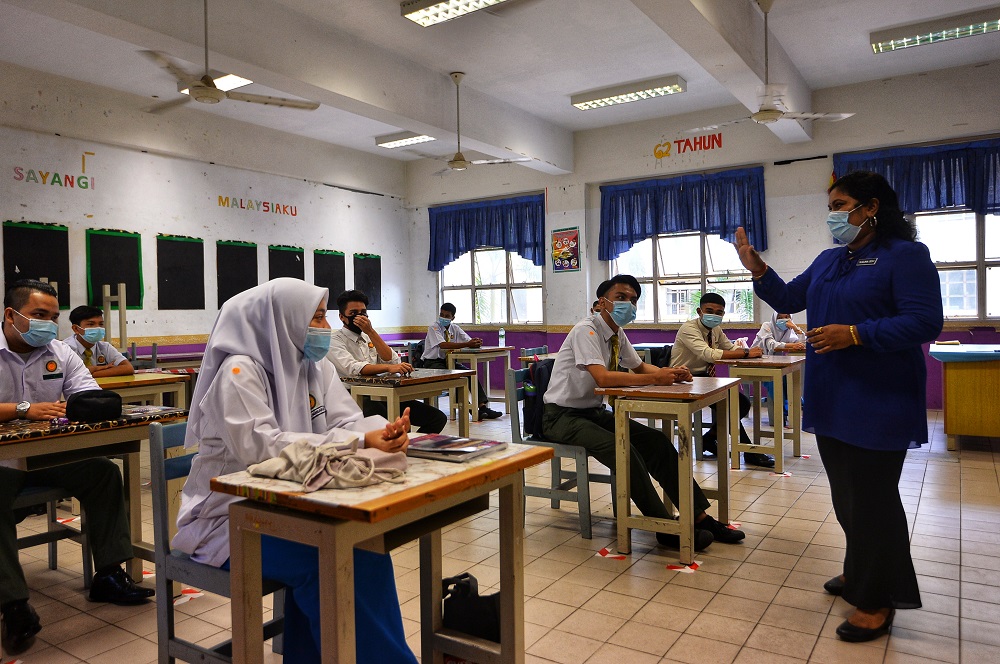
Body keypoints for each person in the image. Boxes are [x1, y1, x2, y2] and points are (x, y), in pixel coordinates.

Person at [734, 170, 943, 643]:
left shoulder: (904, 256)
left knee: (873, 501)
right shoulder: (831, 260)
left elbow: (925, 321)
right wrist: (758, 268)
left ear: (870, 208)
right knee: (847, 498)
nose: (833, 214)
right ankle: (857, 570)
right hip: (832, 397)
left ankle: (877, 599)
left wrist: (855, 334)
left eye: (840, 204)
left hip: (878, 398)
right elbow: (790, 298)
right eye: (830, 206)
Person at [172, 278, 416, 663]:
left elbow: (345, 421)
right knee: (336, 558)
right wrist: (357, 443)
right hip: (228, 519)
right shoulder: (239, 372)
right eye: (315, 318)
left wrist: (381, 433)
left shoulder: (314, 366)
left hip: (293, 505)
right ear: (279, 320)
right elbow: (261, 449)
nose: (324, 328)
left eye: (323, 318)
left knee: (363, 544)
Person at [0, 280, 153, 655]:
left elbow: (87, 396)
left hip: (50, 456)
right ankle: (14, 604)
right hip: (3, 461)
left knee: (103, 471)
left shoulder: (59, 352)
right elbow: (37, 408)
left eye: (53, 318)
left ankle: (109, 574)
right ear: (10, 315)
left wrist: (85, 405)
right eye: (38, 316)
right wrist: (24, 409)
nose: (48, 325)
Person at [541, 275, 745, 551]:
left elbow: (639, 368)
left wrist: (670, 374)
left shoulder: (616, 333)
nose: (628, 304)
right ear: (603, 302)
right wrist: (657, 378)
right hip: (561, 417)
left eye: (633, 299)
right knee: (622, 449)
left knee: (657, 442)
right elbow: (603, 377)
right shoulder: (586, 331)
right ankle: (662, 525)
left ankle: (699, 517)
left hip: (592, 413)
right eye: (621, 297)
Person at [670, 293, 775, 468]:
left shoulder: (716, 330)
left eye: (719, 312)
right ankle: (748, 452)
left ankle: (709, 439)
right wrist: (746, 353)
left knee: (740, 403)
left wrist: (749, 352)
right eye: (709, 311)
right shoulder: (689, 328)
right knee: (730, 404)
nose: (714, 315)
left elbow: (731, 347)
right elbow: (710, 355)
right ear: (699, 311)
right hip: (682, 379)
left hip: (702, 378)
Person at [327, 289, 447, 433]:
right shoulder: (334, 340)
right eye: (353, 313)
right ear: (342, 317)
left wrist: (371, 332)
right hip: (355, 396)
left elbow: (392, 360)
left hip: (382, 392)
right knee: (393, 424)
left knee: (437, 418)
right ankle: (398, 445)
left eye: (363, 312)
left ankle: (410, 446)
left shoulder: (368, 337)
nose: (359, 317)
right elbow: (353, 368)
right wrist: (387, 368)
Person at [421, 303, 501, 420]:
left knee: (469, 373)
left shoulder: (455, 328)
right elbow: (443, 345)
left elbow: (468, 340)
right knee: (457, 377)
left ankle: (483, 407)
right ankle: (471, 410)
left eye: (447, 316)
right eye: (441, 314)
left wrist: (475, 342)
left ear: (452, 318)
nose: (443, 317)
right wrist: (467, 344)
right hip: (432, 363)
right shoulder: (434, 327)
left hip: (448, 362)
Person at [751, 312, 806, 424]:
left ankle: (788, 409)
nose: (783, 320)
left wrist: (795, 328)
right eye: (779, 317)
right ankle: (776, 418)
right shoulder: (767, 326)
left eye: (786, 317)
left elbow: (803, 343)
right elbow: (772, 345)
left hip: (776, 364)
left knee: (789, 377)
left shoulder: (789, 331)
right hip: (758, 362)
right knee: (776, 380)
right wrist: (791, 345)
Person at [62, 305, 135, 377]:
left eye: (101, 324)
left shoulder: (105, 347)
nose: (98, 328)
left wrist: (91, 373)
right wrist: (99, 368)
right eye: (91, 324)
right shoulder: (65, 348)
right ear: (76, 329)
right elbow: (66, 374)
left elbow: (128, 368)